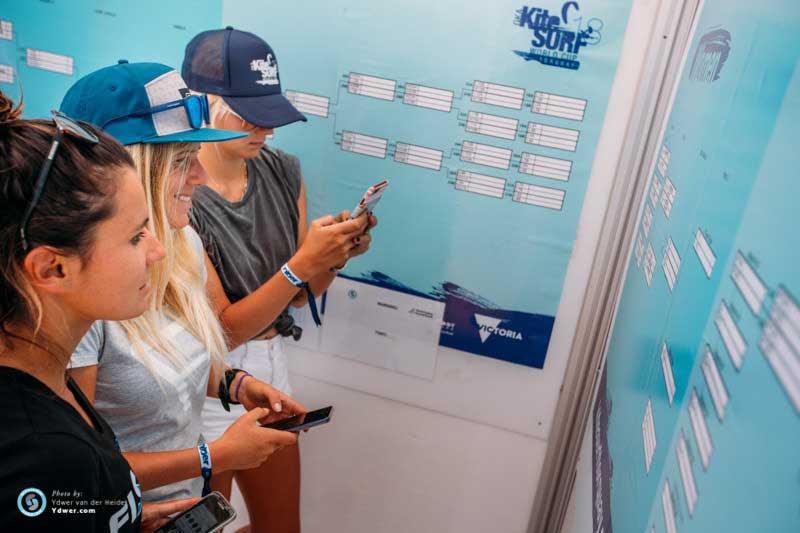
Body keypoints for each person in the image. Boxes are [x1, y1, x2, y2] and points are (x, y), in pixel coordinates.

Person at [61, 62, 304, 504]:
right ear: (131, 169)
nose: (202, 177)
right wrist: (213, 458)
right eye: (183, 162)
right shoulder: (79, 296)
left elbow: (172, 360)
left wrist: (236, 385)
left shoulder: (182, 242)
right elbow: (75, 472)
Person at [182, 27, 376, 532]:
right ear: (202, 101)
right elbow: (221, 332)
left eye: (272, 117)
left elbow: (298, 298)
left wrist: (331, 257)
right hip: (207, 378)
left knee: (281, 527)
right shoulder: (180, 192)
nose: (265, 131)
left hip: (270, 366)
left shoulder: (284, 171)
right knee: (207, 526)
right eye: (251, 117)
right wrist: (302, 264)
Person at [0, 92, 199, 531]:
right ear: (53, 268)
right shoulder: (42, 455)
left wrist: (121, 520)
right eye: (135, 236)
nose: (157, 250)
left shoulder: (52, 386)